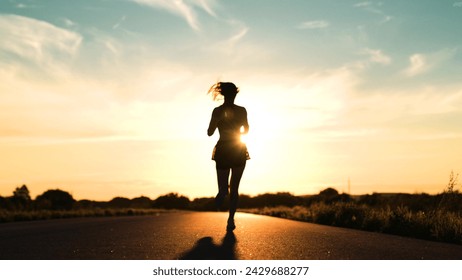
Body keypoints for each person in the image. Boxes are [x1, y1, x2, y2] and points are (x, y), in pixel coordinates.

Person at [207, 82, 250, 231]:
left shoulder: (217, 111)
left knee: (225, 189)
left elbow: (210, 132)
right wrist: (238, 133)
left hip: (225, 148)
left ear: (223, 94)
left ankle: (222, 196)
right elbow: (247, 129)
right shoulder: (242, 110)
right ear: (235, 94)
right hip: (237, 147)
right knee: (235, 188)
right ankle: (231, 219)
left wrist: (218, 121)